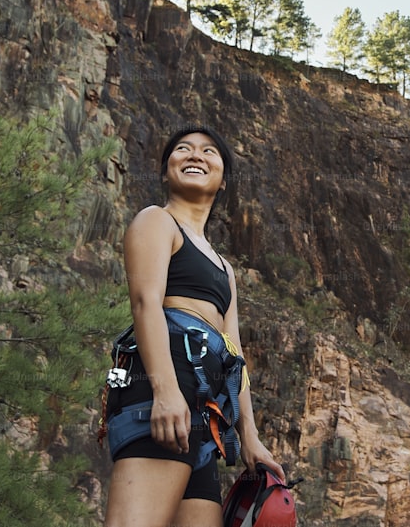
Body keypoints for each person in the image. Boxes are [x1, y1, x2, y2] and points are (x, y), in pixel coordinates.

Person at [104, 126, 285, 527]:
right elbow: (144, 303)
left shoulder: (225, 268)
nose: (195, 155)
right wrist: (165, 391)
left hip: (207, 405)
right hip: (165, 382)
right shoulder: (157, 221)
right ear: (166, 174)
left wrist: (250, 437)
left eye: (209, 152)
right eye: (182, 149)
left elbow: (234, 353)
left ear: (222, 182)